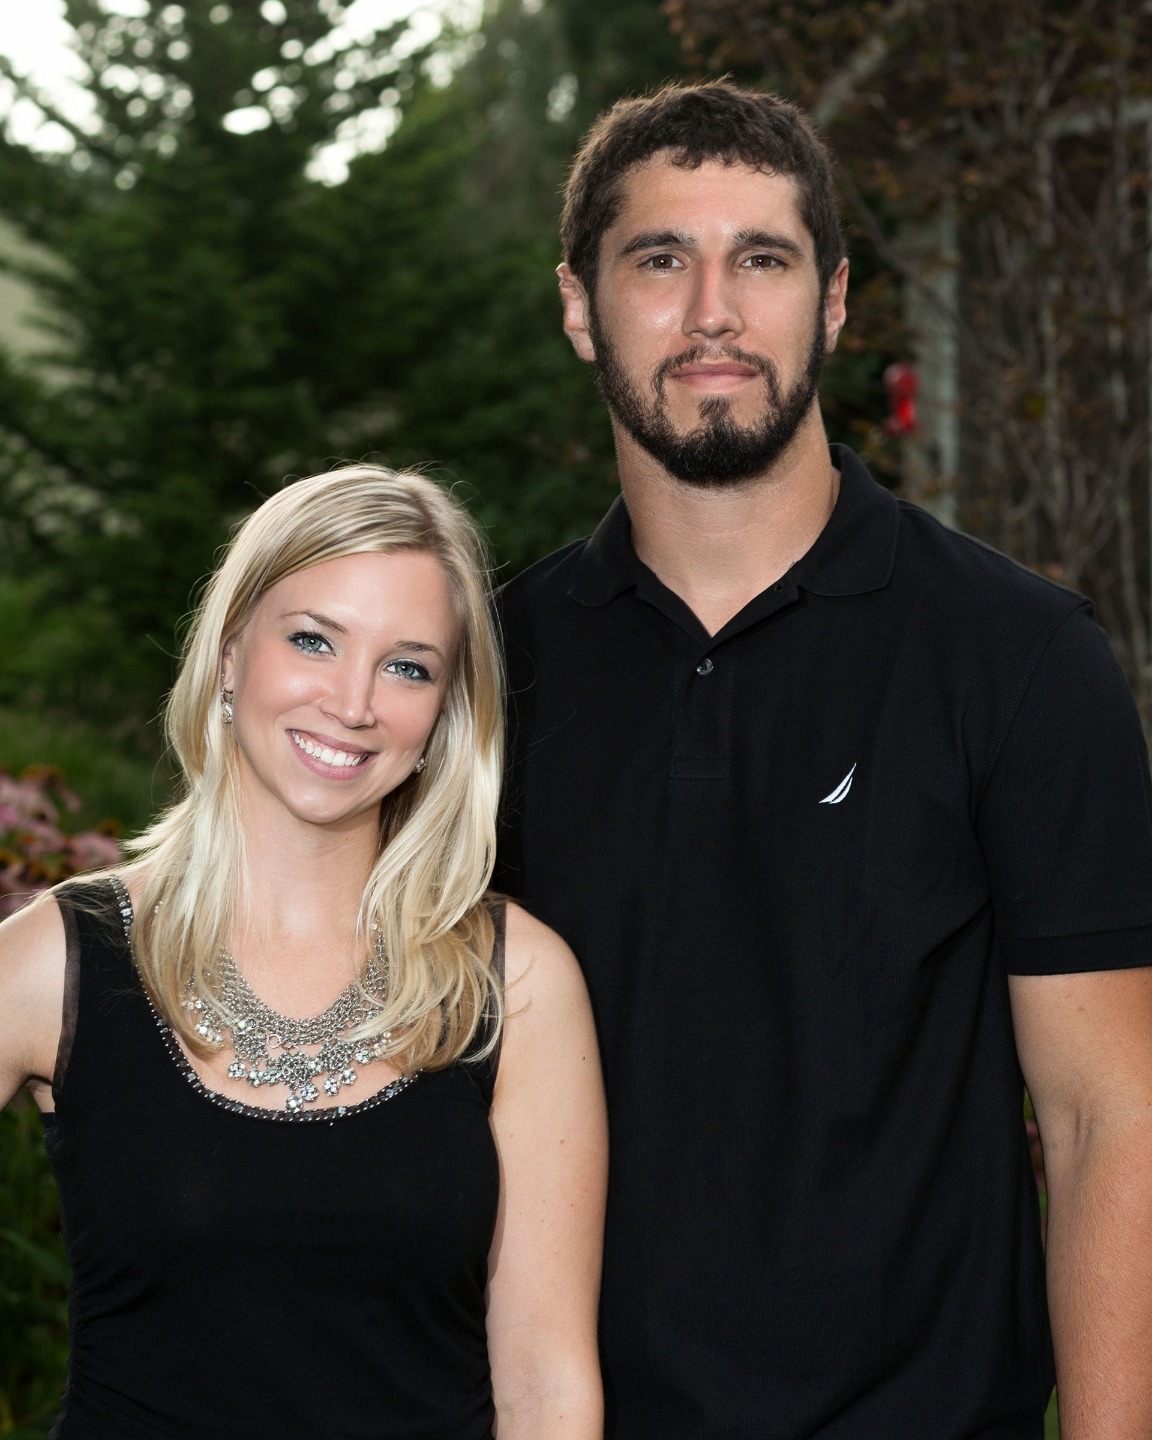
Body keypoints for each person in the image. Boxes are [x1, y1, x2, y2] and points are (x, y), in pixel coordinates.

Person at [495, 80, 1152, 1439]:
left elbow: (1109, 1119)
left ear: (836, 300)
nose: (713, 313)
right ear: (578, 306)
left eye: (764, 260)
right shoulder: (489, 670)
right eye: (659, 260)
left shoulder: (1020, 658)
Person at [0, 466, 607, 1440]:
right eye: (314, 640)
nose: (353, 702)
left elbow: (547, 1393)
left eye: (408, 667)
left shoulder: (518, 982)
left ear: (445, 714)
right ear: (231, 651)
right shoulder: (62, 958)